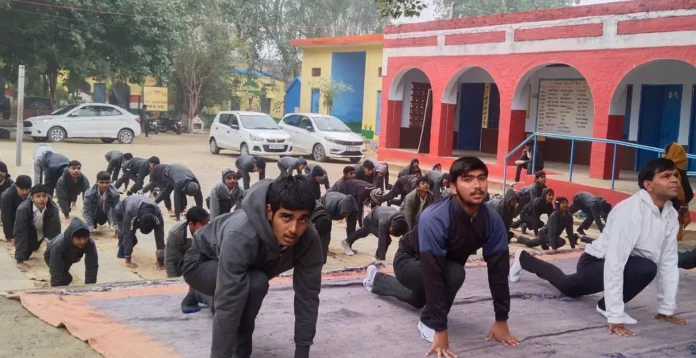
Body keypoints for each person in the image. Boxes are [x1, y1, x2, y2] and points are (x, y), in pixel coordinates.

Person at [509, 158, 685, 336]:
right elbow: (615, 262)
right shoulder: (630, 212)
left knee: (569, 287)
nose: (675, 180)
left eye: (676, 175)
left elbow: (669, 261)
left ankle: (523, 258)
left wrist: (666, 309)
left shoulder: (670, 214)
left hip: (626, 263)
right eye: (666, 176)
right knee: (647, 267)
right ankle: (605, 306)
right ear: (649, 185)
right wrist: (614, 315)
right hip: (595, 262)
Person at [363, 157, 518, 356]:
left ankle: (375, 278)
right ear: (453, 187)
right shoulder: (435, 217)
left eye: (482, 178)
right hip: (410, 260)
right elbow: (432, 273)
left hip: (442, 265)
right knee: (454, 274)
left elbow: (499, 270)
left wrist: (501, 319)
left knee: (418, 299)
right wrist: (439, 327)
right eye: (468, 179)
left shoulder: (492, 220)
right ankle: (425, 323)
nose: (477, 185)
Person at [180, 176, 323, 358]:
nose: (294, 229)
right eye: (286, 217)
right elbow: (228, 304)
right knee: (254, 284)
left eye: (302, 219)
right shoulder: (241, 235)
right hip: (200, 262)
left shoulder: (309, 238)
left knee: (252, 282)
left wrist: (302, 352)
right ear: (270, 212)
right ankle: (199, 292)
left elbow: (308, 296)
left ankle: (204, 294)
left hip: (248, 269)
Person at [164, 207, 210, 314]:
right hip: (181, 257)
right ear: (191, 224)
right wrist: (173, 282)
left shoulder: (209, 230)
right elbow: (170, 259)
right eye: (202, 224)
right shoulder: (176, 234)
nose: (206, 226)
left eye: (207, 223)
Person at [14, 185, 61, 272]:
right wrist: (19, 260)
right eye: (38, 196)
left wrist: (55, 257)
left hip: (43, 230)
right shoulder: (23, 209)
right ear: (32, 198)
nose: (42, 199)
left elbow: (55, 231)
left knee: (54, 243)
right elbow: (20, 233)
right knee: (26, 255)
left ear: (48, 196)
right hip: (29, 232)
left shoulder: (53, 208)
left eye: (44, 196)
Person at [113, 195, 166, 270]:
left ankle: (125, 247)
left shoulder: (157, 214)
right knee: (128, 236)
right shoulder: (130, 211)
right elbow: (128, 234)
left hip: (138, 206)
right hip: (121, 212)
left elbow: (160, 236)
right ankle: (123, 251)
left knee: (129, 239)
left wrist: (161, 259)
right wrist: (128, 261)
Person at [44, 218, 98, 287]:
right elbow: (56, 271)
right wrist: (56, 290)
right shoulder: (59, 245)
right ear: (71, 237)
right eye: (78, 238)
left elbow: (92, 265)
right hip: (51, 254)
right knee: (64, 278)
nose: (82, 241)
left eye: (85, 238)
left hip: (72, 255)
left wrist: (90, 287)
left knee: (65, 276)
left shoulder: (90, 243)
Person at [341, 206, 409, 260]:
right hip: (370, 220)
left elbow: (407, 238)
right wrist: (382, 261)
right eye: (391, 232)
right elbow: (382, 241)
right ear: (392, 223)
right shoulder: (383, 221)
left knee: (364, 232)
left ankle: (347, 241)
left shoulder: (403, 223)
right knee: (386, 239)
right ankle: (378, 258)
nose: (390, 233)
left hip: (380, 214)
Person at [663, 143, 694, 241]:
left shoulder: (671, 173)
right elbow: (689, 194)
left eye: (664, 153)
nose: (662, 155)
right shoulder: (680, 172)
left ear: (672, 154)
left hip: (671, 212)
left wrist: (677, 204)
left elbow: (688, 193)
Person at [1, 175, 32, 247]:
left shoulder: (33, 193)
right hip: (13, 217)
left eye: (27, 189)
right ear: (16, 186)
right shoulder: (7, 196)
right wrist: (9, 237)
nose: (24, 192)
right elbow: (6, 217)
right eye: (22, 189)